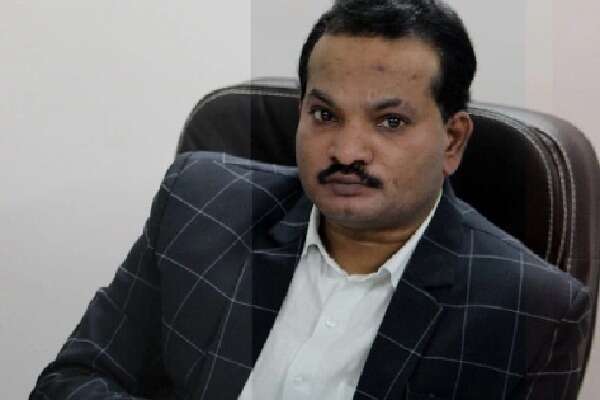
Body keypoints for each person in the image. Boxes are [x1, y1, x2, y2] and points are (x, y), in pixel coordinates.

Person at [30, 0, 591, 399]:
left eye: (390, 122)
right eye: (324, 115)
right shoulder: (200, 204)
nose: (346, 150)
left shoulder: (533, 310)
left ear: (452, 140)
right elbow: (72, 380)